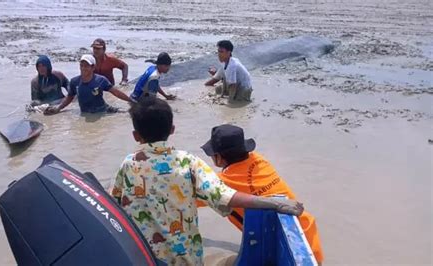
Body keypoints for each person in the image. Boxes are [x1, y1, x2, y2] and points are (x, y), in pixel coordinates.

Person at [109, 98, 304, 265]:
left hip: (143, 257)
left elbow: (112, 203)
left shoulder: (128, 165)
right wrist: (274, 202)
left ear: (136, 135)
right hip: (186, 260)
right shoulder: (188, 162)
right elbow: (226, 196)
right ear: (172, 129)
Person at [199, 124, 324, 264]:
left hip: (283, 251)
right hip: (306, 237)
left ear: (219, 158)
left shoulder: (221, 184)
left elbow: (191, 197)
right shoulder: (259, 160)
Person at [44, 55, 133, 115]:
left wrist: (131, 101)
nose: (83, 68)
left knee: (125, 114)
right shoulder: (74, 82)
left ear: (93, 67)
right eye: (81, 65)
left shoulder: (101, 80)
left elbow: (116, 92)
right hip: (85, 112)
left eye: (86, 66)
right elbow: (69, 98)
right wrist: (58, 108)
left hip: (104, 111)